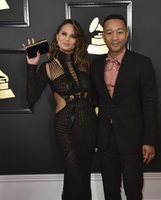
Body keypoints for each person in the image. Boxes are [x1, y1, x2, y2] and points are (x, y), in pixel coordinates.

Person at [25, 19, 96, 200]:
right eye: (64, 34)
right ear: (57, 36)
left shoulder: (85, 63)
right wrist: (32, 66)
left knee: (83, 176)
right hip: (65, 125)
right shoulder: (48, 66)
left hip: (88, 123)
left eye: (72, 36)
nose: (67, 39)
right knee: (75, 175)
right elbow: (32, 97)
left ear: (77, 41)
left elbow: (96, 96)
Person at [90, 14, 158, 200]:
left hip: (133, 138)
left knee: (133, 190)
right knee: (110, 192)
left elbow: (150, 104)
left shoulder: (142, 63)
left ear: (126, 34)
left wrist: (149, 140)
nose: (114, 37)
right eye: (109, 32)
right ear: (103, 36)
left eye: (119, 32)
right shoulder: (95, 66)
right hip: (105, 139)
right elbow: (94, 101)